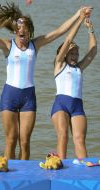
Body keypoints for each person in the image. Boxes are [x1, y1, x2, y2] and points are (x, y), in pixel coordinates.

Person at [0, 2, 92, 160]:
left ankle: (26, 174)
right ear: (15, 31)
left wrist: (78, 15)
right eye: (20, 33)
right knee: (11, 139)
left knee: (25, 142)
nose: (23, 36)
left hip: (28, 98)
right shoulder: (7, 45)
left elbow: (59, 31)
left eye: (26, 33)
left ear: (29, 32)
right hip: (9, 95)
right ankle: (8, 170)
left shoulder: (35, 45)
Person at [51, 8, 97, 159]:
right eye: (72, 53)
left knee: (79, 140)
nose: (75, 55)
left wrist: (90, 30)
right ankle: (60, 166)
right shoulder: (59, 65)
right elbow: (68, 40)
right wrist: (79, 19)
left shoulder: (79, 68)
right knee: (63, 136)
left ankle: (84, 171)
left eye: (77, 53)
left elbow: (93, 51)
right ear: (63, 54)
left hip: (77, 106)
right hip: (61, 105)